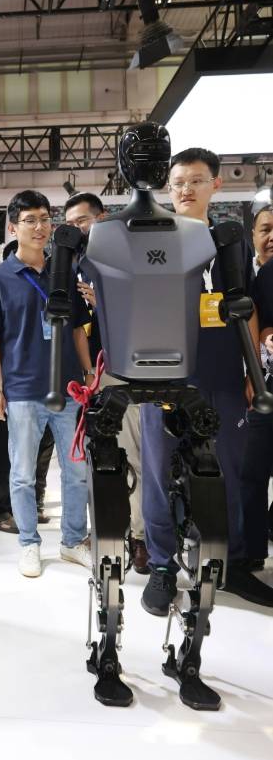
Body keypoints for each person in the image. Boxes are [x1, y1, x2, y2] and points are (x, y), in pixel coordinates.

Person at [139, 148, 273, 612]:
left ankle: (229, 563)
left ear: (216, 184)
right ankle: (162, 566)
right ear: (167, 188)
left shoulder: (229, 242)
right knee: (159, 472)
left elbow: (247, 308)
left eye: (196, 180)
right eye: (178, 182)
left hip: (223, 375)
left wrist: (252, 371)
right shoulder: (152, 239)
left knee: (229, 472)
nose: (185, 189)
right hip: (165, 379)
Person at [0, 189, 92, 578]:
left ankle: (72, 541)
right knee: (23, 474)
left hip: (69, 389)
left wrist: (89, 372)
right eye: (30, 220)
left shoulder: (64, 273)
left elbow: (77, 329)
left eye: (44, 219)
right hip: (23, 391)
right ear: (13, 227)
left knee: (76, 472)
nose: (40, 227)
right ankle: (28, 543)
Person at [63, 192, 148, 573]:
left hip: (128, 371)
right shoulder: (73, 264)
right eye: (70, 223)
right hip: (94, 375)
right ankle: (107, 531)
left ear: (102, 217)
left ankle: (140, 536)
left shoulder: (126, 258)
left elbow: (148, 312)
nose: (77, 229)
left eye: (82, 220)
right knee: (100, 458)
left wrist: (106, 303)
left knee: (134, 455)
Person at [0, 239, 55, 534]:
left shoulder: (47, 285)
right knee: (4, 445)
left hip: (39, 379)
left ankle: (30, 503)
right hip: (7, 379)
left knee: (42, 442)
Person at [244, 204, 273, 556]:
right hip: (249, 385)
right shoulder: (245, 273)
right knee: (250, 471)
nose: (272, 237)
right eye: (265, 229)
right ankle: (249, 550)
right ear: (252, 235)